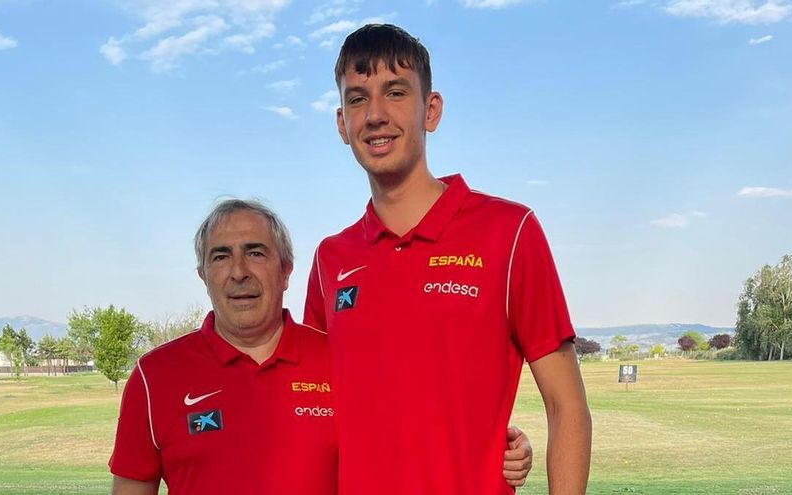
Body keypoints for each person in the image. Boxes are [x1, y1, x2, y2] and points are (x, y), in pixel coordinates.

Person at [304, 24, 592, 495]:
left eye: (395, 93)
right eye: (358, 99)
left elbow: (568, 409)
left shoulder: (510, 232)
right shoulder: (330, 259)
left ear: (430, 110)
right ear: (341, 124)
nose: (375, 115)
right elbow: (315, 416)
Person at [109, 200, 533, 494]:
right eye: (220, 257)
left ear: (287, 270)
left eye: (256, 253)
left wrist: (504, 448)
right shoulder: (155, 376)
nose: (238, 272)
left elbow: (418, 430)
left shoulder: (338, 358)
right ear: (203, 274)